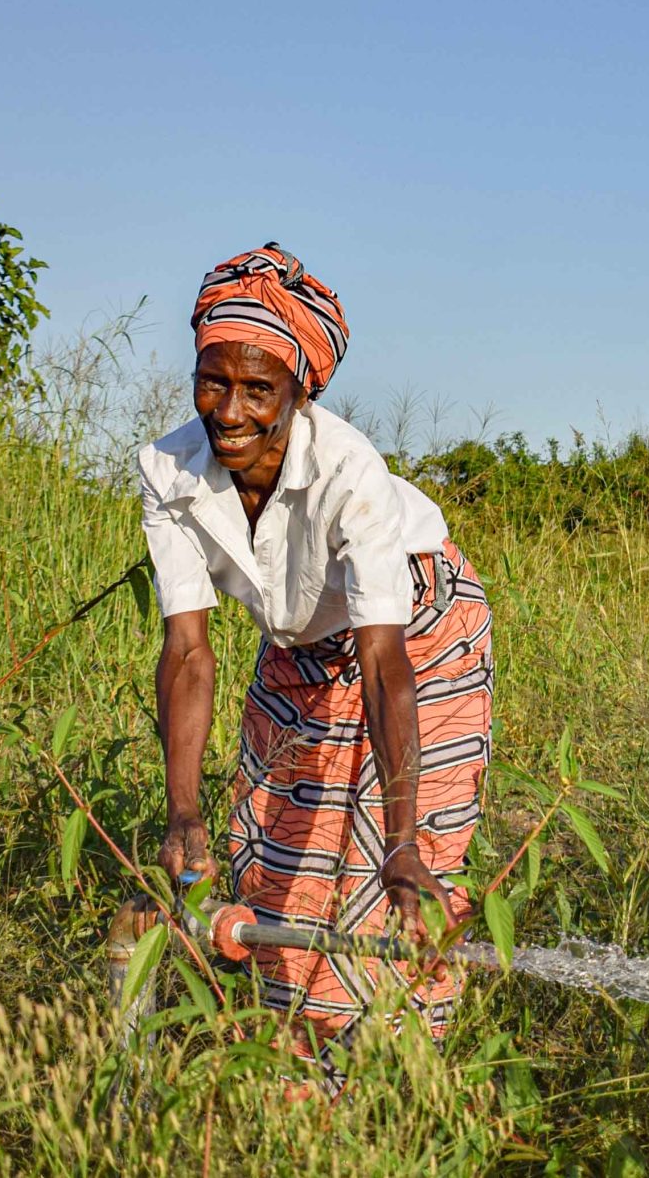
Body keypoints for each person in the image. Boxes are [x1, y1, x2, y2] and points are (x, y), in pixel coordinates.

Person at [138, 243, 494, 1055]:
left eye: (258, 389)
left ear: (300, 394)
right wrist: (182, 813)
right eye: (212, 381)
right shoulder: (168, 469)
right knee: (273, 841)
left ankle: (391, 1073)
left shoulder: (348, 472)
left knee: (395, 865)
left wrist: (401, 844)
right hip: (297, 645)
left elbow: (383, 663)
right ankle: (294, 1066)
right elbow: (188, 651)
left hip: (417, 636)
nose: (228, 411)